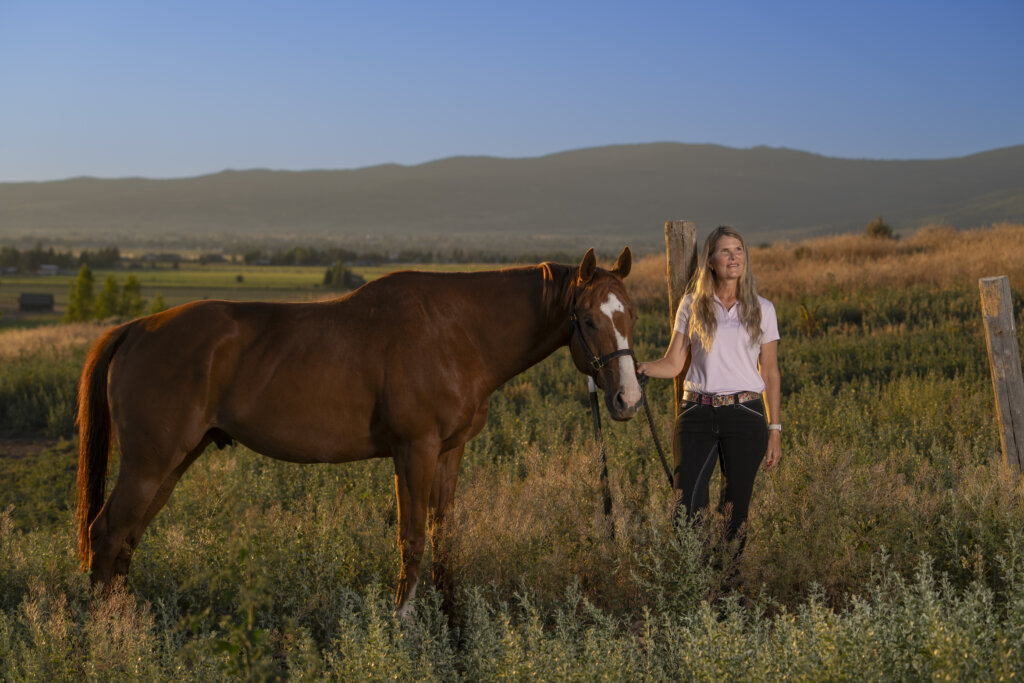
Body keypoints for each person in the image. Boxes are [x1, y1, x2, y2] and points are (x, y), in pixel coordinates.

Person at [637, 225, 781, 547]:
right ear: (711, 261)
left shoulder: (763, 309)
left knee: (734, 513)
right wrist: (641, 368)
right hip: (696, 413)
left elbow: (770, 373)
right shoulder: (692, 304)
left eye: (739, 250)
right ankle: (694, 572)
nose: (734, 257)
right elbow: (674, 362)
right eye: (725, 251)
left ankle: (727, 577)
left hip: (746, 414)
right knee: (685, 508)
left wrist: (775, 430)